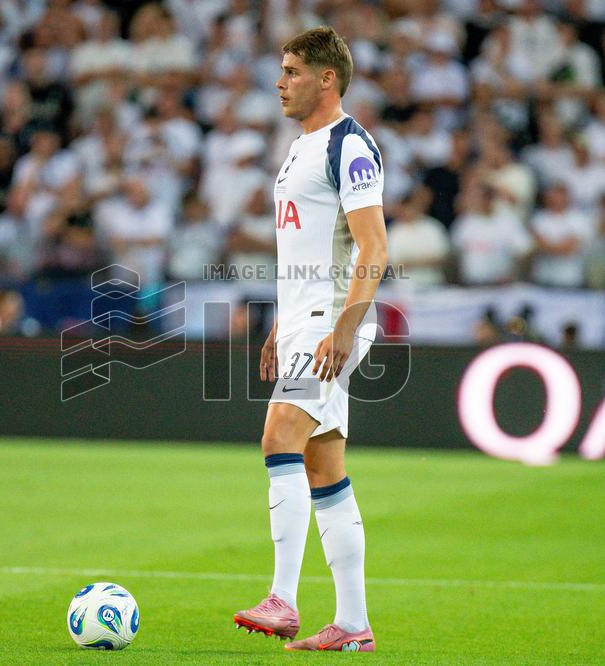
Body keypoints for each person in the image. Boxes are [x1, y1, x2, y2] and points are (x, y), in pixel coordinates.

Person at [232, 26, 383, 653]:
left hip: (330, 324)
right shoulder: (302, 146)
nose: (280, 81)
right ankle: (352, 623)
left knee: (278, 436)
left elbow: (373, 245)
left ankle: (284, 599)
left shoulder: (350, 146)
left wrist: (344, 324)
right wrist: (281, 322)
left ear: (328, 78)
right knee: (324, 468)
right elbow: (307, 246)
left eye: (293, 70)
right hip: (305, 320)